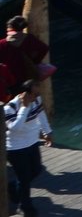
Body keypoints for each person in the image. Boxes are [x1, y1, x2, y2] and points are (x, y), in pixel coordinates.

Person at [3, 77, 49, 215]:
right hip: (15, 148)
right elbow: (15, 128)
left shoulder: (36, 101)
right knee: (24, 179)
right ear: (25, 94)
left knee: (36, 170)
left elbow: (41, 115)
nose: (37, 97)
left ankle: (12, 187)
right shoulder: (9, 108)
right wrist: (24, 107)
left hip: (32, 143)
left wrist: (47, 132)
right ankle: (26, 207)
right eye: (35, 94)